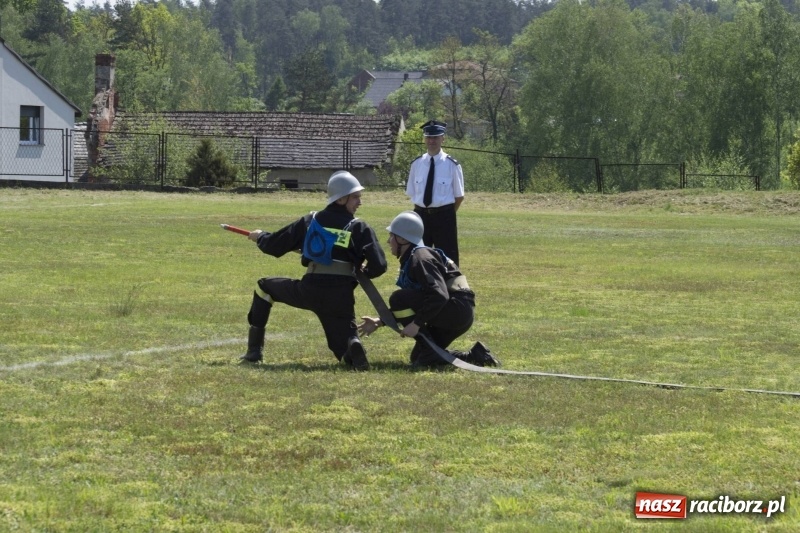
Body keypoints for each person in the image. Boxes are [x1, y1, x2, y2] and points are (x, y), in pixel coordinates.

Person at [240, 171, 387, 370]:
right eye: (356, 197)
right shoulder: (360, 227)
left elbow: (275, 245)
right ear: (341, 199)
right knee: (342, 346)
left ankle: (254, 351)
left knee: (264, 287)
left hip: (310, 290)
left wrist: (260, 237)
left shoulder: (311, 221)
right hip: (341, 297)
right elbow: (379, 265)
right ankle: (352, 345)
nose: (359, 202)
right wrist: (361, 271)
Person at [357, 211, 499, 368]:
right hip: (458, 311)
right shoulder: (417, 255)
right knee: (420, 357)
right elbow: (418, 302)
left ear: (403, 239)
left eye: (392, 236)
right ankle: (476, 356)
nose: (388, 241)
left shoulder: (421, 258)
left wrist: (416, 324)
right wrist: (381, 321)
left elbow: (439, 295)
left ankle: (432, 353)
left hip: (455, 310)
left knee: (398, 298)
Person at [406, 120, 465, 266]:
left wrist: (445, 213)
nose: (431, 141)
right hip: (420, 216)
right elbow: (413, 194)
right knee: (417, 256)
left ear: (443, 138)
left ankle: (451, 288)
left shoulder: (452, 165)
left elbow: (459, 196)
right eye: (429, 137)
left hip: (444, 217)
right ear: (425, 139)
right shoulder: (416, 164)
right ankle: (419, 287)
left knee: (447, 259)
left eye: (436, 137)